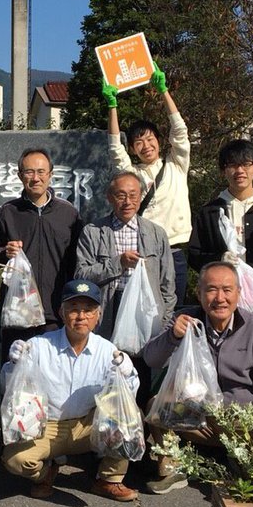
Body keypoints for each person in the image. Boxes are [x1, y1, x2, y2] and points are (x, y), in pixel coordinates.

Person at [141, 261, 253, 493]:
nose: (219, 298)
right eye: (211, 289)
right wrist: (173, 336)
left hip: (240, 421)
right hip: (197, 417)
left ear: (239, 293)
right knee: (157, 406)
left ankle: (239, 461)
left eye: (227, 290)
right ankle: (173, 468)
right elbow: (152, 358)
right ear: (199, 293)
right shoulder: (184, 320)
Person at [1, 279, 140, 502]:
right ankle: (46, 473)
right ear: (61, 312)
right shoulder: (38, 345)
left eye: (88, 310)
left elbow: (126, 398)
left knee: (129, 418)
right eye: (73, 309)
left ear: (98, 315)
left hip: (87, 426)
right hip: (46, 426)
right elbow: (10, 389)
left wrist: (128, 373)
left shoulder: (107, 350)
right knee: (15, 460)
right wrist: (13, 366)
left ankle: (109, 479)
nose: (81, 316)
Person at [75, 171, 175, 406]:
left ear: (141, 197)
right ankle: (106, 432)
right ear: (109, 197)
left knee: (141, 371)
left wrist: (165, 320)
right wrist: (117, 263)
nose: (127, 202)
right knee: (107, 368)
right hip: (108, 308)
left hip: (145, 311)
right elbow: (81, 275)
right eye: (120, 195)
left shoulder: (156, 233)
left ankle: (140, 431)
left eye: (133, 195)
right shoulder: (93, 232)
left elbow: (167, 284)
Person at [102, 65, 192, 308]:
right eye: (138, 142)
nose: (146, 145)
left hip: (174, 252)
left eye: (150, 139)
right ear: (133, 149)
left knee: (173, 314)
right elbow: (114, 150)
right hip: (145, 253)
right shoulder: (134, 175)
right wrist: (112, 106)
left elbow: (180, 132)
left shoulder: (176, 164)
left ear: (159, 141)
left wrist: (163, 91)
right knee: (141, 314)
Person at [189, 139, 253, 346]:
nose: (239, 170)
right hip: (221, 303)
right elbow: (194, 255)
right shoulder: (210, 212)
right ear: (223, 171)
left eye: (246, 164)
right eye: (232, 165)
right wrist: (219, 259)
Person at [0, 147, 83, 357]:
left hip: (55, 313)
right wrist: (5, 253)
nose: (35, 178)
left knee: (53, 378)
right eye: (29, 172)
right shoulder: (7, 213)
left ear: (50, 175)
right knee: (15, 376)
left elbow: (78, 263)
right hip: (18, 313)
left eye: (41, 172)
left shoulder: (69, 214)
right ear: (20, 176)